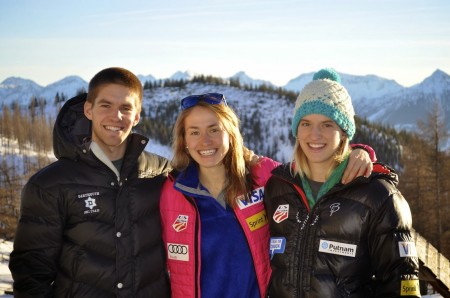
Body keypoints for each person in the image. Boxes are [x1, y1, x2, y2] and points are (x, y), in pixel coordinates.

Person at [159, 92, 376, 298]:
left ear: (231, 134)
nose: (205, 141)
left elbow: (316, 170)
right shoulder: (172, 191)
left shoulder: (263, 175)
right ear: (184, 140)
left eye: (214, 130)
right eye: (194, 132)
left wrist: (358, 152)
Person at [9, 67, 171, 297]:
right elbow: (32, 272)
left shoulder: (160, 172)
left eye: (125, 108)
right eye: (106, 105)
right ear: (89, 109)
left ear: (137, 116)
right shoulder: (50, 184)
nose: (116, 117)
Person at [264, 68, 421, 297]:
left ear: (344, 132)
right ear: (296, 129)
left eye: (327, 124)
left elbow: (402, 284)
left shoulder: (377, 195)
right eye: (306, 123)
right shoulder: (278, 187)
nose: (314, 135)